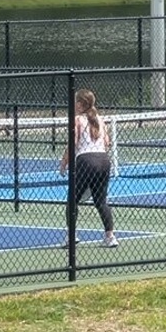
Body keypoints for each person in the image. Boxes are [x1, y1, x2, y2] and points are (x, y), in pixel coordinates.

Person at [58, 89, 118, 248]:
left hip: (86, 161)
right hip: (104, 160)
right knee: (101, 201)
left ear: (80, 104)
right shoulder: (99, 119)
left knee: (72, 201)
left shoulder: (77, 120)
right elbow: (107, 142)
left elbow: (73, 142)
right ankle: (110, 236)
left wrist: (64, 162)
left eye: (75, 101)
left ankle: (71, 236)